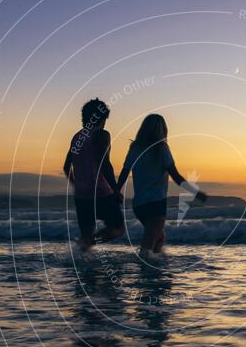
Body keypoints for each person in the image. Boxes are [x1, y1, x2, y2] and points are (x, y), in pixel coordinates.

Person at [117, 114, 207, 255]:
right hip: (156, 203)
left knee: (159, 238)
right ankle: (144, 271)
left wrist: (116, 192)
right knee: (148, 245)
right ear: (162, 130)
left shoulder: (135, 148)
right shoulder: (161, 148)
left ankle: (155, 271)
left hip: (139, 205)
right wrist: (195, 192)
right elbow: (176, 176)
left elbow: (124, 172)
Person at [63, 98, 125, 250]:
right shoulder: (102, 134)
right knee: (118, 229)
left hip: (81, 195)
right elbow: (104, 163)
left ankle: (86, 266)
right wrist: (116, 189)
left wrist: (76, 185)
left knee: (86, 239)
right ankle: (88, 242)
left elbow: (66, 167)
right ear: (102, 118)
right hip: (102, 192)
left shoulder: (77, 137)